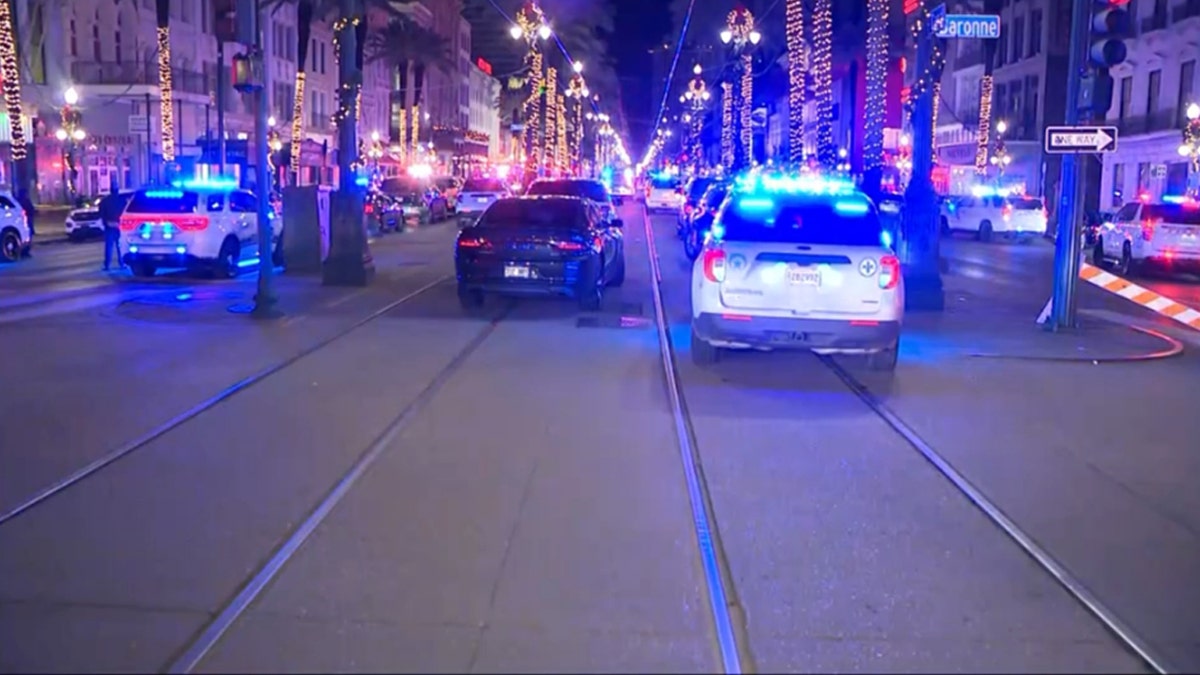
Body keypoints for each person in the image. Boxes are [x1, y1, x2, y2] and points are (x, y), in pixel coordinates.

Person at [98, 178, 125, 271]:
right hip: (119, 226)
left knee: (108, 247)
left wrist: (106, 222)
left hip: (109, 226)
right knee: (120, 246)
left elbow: (101, 213)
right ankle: (122, 263)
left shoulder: (105, 201)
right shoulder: (122, 200)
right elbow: (124, 213)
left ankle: (107, 265)